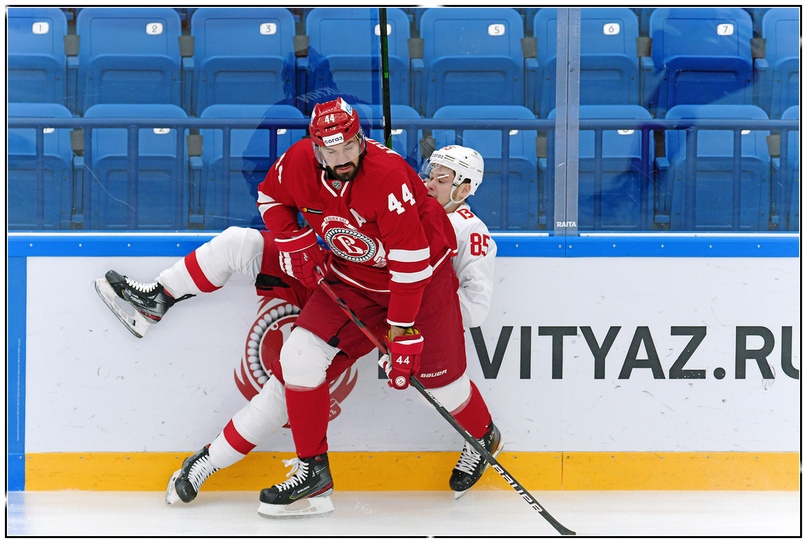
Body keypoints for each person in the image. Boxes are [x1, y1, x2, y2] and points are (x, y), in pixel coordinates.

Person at [94, 99, 500, 518]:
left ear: (362, 140)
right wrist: (292, 239)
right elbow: (270, 195)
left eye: (349, 147)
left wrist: (400, 331)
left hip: (421, 293)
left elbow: (414, 266)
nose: (342, 159)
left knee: (443, 390)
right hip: (351, 280)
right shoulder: (300, 162)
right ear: (316, 147)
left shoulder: (394, 182)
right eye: (331, 151)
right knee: (297, 360)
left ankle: (483, 435)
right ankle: (308, 473)